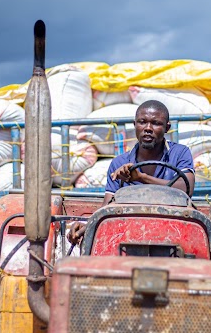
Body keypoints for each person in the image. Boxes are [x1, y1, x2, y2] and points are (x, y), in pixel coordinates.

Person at [67, 99, 195, 244]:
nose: (148, 128)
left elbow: (186, 189)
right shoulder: (119, 163)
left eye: (156, 123)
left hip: (173, 235)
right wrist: (84, 228)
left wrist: (141, 178)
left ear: (167, 128)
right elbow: (107, 208)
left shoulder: (180, 153)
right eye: (142, 122)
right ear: (135, 126)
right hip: (130, 237)